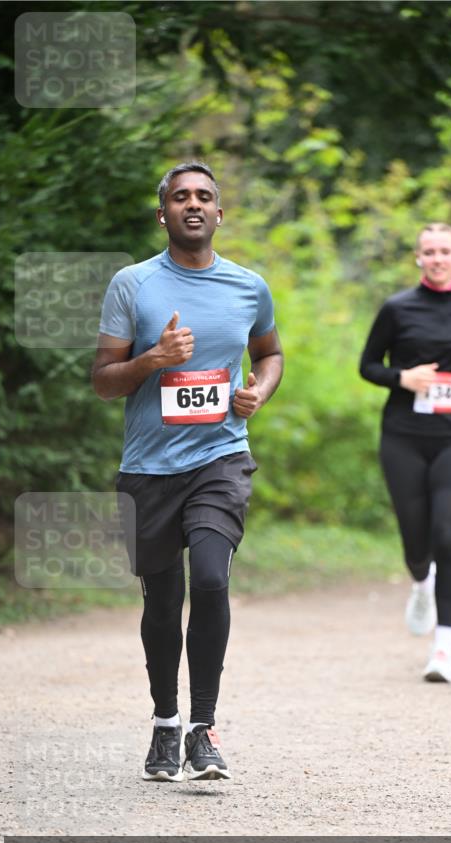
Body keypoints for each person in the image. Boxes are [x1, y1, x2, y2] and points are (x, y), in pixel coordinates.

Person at [92, 161, 283, 780]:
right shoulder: (133, 284)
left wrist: (259, 391)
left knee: (209, 577)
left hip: (220, 458)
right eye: (180, 197)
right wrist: (152, 360)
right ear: (164, 214)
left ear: (220, 213)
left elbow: (270, 353)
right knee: (161, 598)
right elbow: (102, 381)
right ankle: (165, 723)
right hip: (148, 468)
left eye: (204, 196)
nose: (192, 205)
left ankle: (204, 727)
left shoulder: (249, 287)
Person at [359, 223, 451, 682]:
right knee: (416, 543)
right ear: (418, 258)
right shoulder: (397, 308)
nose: (437, 258)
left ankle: (443, 649)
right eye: (429, 251)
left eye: (445, 250)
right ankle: (422, 583)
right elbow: (367, 366)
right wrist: (402, 378)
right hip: (403, 435)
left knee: (447, 533)